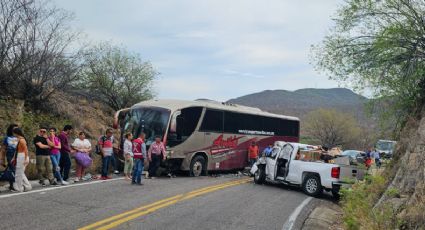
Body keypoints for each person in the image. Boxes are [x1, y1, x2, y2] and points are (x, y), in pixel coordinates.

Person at [11, 128, 32, 192]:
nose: (13, 134)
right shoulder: (19, 139)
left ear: (16, 133)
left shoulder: (22, 140)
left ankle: (19, 188)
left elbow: (26, 150)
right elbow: (17, 150)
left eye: (14, 133)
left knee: (18, 173)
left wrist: (26, 158)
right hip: (20, 156)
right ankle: (27, 187)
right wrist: (14, 158)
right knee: (20, 172)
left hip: (22, 156)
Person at [1, 124, 18, 190]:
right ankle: (13, 185)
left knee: (16, 170)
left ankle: (13, 185)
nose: (15, 130)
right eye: (14, 129)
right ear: (11, 129)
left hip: (19, 156)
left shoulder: (19, 137)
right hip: (10, 156)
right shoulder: (7, 138)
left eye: (17, 128)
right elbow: (3, 149)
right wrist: (2, 159)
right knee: (13, 169)